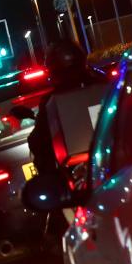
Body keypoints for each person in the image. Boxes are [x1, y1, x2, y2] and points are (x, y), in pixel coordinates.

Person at [26, 39, 110, 183]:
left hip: (92, 163)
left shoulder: (52, 100)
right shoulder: (105, 84)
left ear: (53, 71)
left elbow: (38, 141)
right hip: (109, 156)